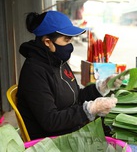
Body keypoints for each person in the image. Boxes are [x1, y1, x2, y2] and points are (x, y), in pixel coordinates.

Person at [17, 10, 123, 140]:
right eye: (66, 40)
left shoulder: (58, 61)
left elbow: (76, 97)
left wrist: (101, 87)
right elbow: (51, 121)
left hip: (70, 131)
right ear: (47, 42)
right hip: (51, 142)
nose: (70, 46)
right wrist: (90, 109)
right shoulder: (34, 72)